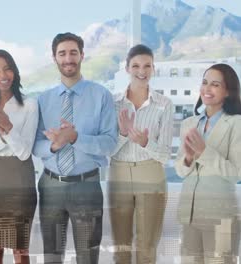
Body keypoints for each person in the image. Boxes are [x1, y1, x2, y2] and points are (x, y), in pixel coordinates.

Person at [33, 32, 117, 264]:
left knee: (88, 256)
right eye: (62, 53)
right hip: (51, 187)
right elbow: (35, 146)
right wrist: (54, 145)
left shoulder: (101, 95)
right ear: (54, 58)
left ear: (82, 55)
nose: (68, 58)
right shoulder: (43, 100)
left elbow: (110, 143)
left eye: (73, 52)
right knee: (52, 255)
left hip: (87, 186)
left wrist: (75, 137)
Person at [108, 44, 173, 264]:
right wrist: (124, 134)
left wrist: (145, 142)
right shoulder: (112, 103)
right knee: (121, 248)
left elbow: (164, 156)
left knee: (147, 247)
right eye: (135, 65)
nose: (141, 71)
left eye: (147, 65)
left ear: (153, 68)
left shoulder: (165, 105)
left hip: (151, 174)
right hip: (118, 174)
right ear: (127, 68)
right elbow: (108, 151)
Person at [175, 63, 241, 264]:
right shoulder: (189, 123)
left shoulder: (237, 123)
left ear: (228, 91)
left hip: (220, 218)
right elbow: (180, 171)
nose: (207, 89)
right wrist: (187, 159)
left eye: (215, 84)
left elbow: (236, 173)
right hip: (189, 216)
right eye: (204, 83)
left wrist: (204, 152)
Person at [0, 49, 38, 264]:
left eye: (7, 68)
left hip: (20, 178)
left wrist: (8, 127)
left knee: (19, 249)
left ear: (14, 72)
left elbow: (24, 152)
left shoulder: (29, 104)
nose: (2, 75)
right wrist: (6, 136)